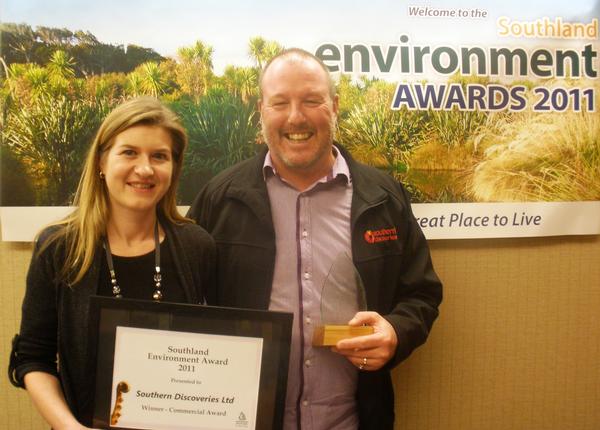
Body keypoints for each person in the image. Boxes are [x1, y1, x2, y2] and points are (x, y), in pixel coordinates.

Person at [188, 48, 442, 429]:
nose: (295, 117)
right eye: (280, 103)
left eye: (311, 100)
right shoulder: (219, 198)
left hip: (353, 421)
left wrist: (395, 332)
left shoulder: (383, 197)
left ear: (334, 105)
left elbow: (421, 294)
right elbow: (185, 304)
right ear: (261, 110)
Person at [9, 97, 216, 429]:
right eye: (129, 152)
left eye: (159, 156)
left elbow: (218, 350)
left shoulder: (197, 246)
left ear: (173, 168)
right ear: (102, 162)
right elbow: (34, 357)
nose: (145, 169)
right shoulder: (59, 248)